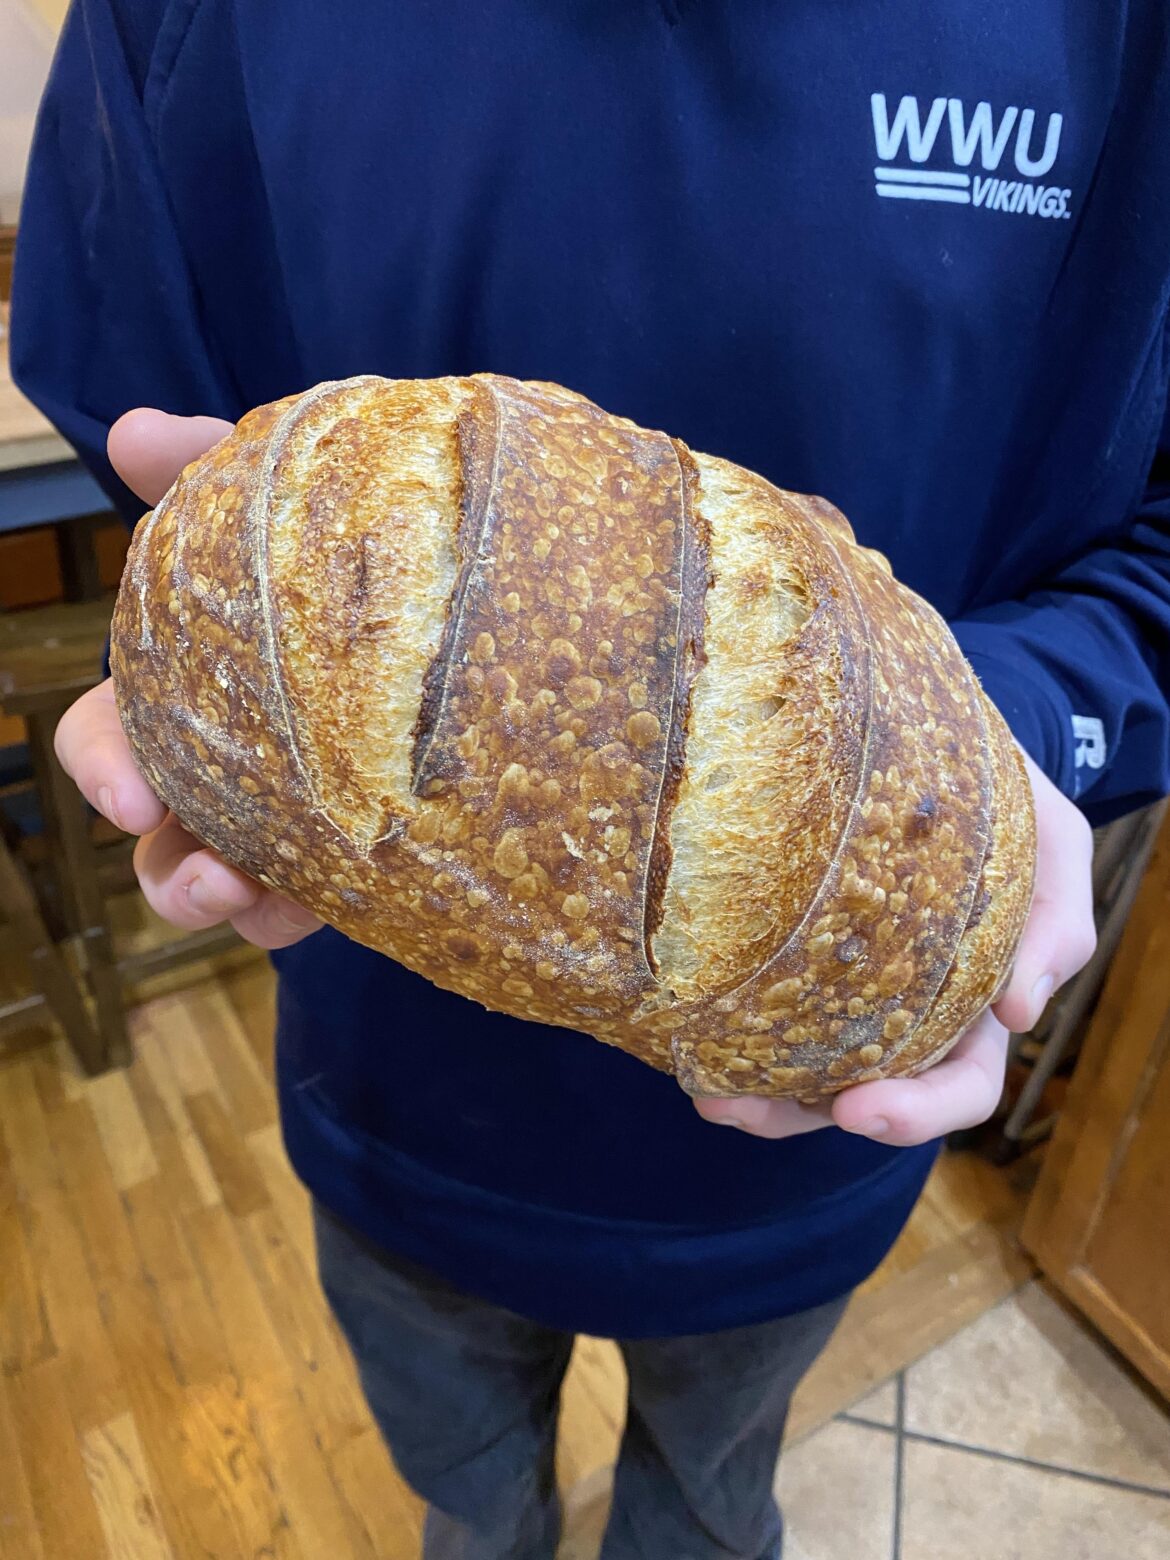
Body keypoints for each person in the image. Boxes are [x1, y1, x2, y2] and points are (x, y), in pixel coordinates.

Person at [14, 4, 1169, 1556]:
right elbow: (159, 435)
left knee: (702, 1506)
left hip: (820, 1119)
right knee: (463, 1499)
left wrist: (1009, 727)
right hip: (389, 1093)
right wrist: (243, 644)